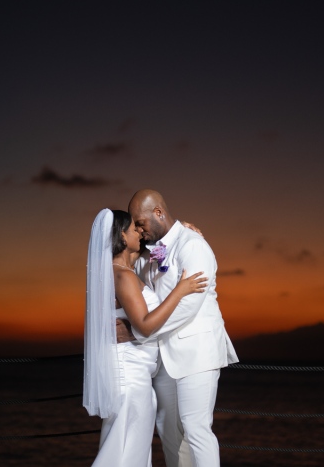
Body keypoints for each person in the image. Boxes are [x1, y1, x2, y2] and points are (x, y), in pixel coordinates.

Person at [119, 189, 239, 467]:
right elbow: (140, 288)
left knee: (196, 428)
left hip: (196, 351)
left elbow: (188, 306)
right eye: (134, 226)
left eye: (140, 223)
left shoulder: (193, 245)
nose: (138, 230)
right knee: (168, 429)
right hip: (165, 357)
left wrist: (140, 331)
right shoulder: (154, 250)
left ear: (158, 213)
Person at [84, 208, 208, 467]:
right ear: (121, 235)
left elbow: (160, 250)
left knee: (128, 446)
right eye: (134, 229)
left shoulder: (125, 268)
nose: (140, 232)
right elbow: (144, 326)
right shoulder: (123, 275)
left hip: (136, 371)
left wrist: (181, 230)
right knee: (124, 449)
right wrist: (181, 290)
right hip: (129, 375)